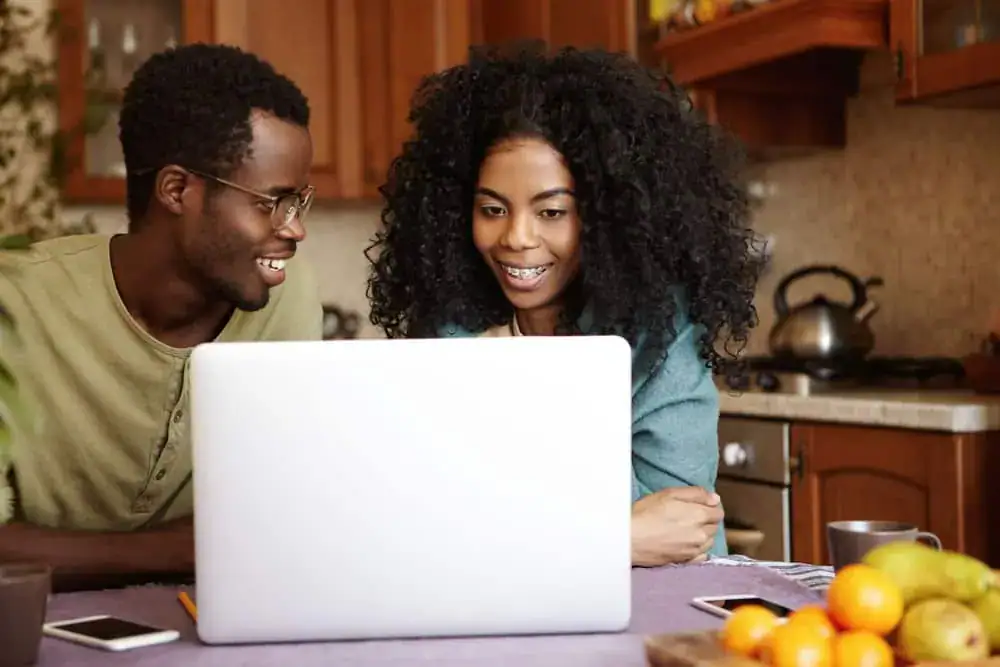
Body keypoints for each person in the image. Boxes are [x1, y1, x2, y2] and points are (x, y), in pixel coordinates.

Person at [365, 43, 760, 566]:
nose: (517, 238)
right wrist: (613, 537)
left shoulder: (660, 335)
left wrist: (509, 514)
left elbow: (682, 532)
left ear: (605, 216)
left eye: (551, 212)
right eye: (491, 209)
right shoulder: (448, 335)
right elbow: (431, 531)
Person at [0, 43, 322, 590]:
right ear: (177, 190)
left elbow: (277, 519)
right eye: (272, 202)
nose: (294, 229)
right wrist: (182, 549)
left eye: (299, 202)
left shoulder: (287, 301)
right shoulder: (16, 303)